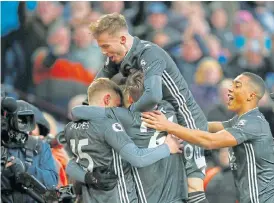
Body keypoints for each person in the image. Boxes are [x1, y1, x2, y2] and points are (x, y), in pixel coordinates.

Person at [89, 12, 209, 203]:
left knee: (192, 186)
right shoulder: (116, 56)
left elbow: (153, 95)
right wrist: (86, 112)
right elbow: (96, 88)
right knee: (169, 191)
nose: (104, 52)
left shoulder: (149, 53)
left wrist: (124, 115)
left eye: (105, 46)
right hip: (161, 123)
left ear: (121, 39)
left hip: (187, 122)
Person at [142, 72, 274, 203]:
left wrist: (169, 126)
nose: (230, 89)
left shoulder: (252, 123)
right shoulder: (242, 120)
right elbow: (205, 126)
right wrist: (175, 121)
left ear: (251, 95)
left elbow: (210, 141)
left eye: (237, 86)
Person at [70, 72, 188, 203]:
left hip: (146, 197)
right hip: (178, 193)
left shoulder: (124, 117)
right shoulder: (170, 108)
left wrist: (167, 148)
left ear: (130, 99)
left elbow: (76, 111)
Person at [1, 100, 58, 203]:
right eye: (20, 120)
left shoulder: (40, 146)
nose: (29, 130)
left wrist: (26, 169)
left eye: (27, 121)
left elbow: (52, 182)